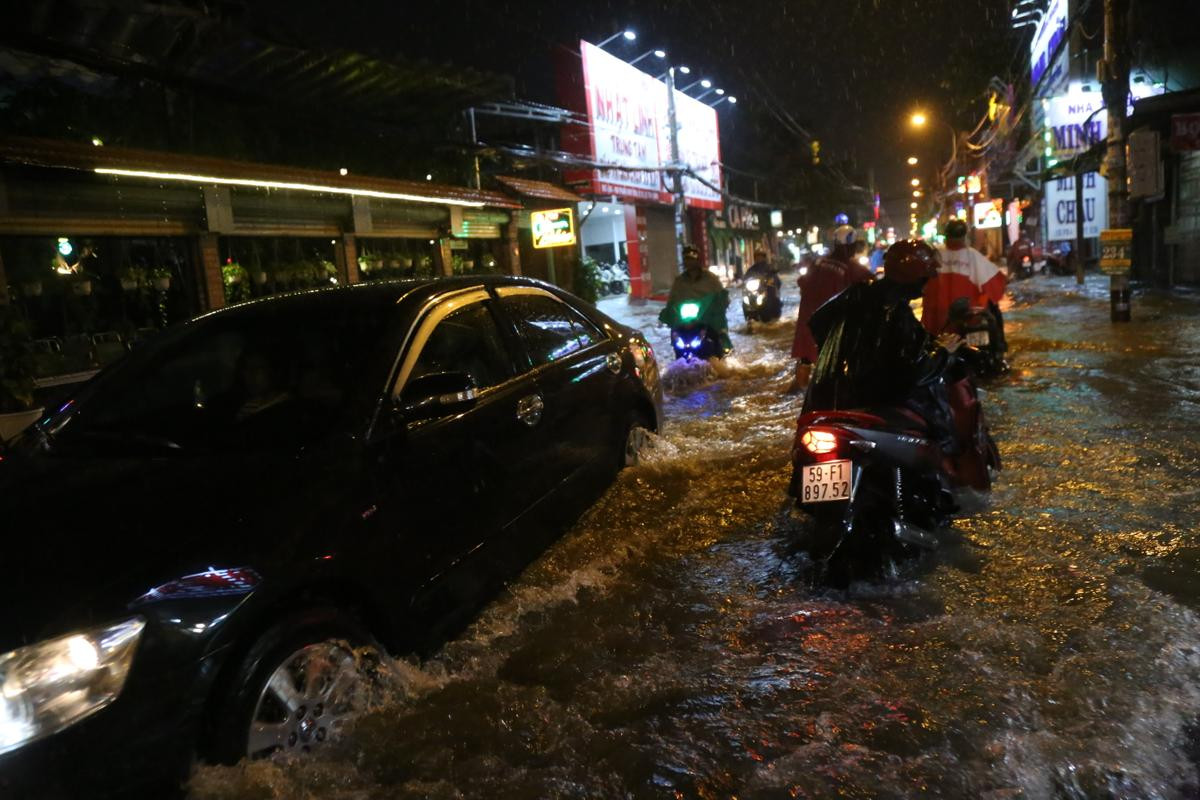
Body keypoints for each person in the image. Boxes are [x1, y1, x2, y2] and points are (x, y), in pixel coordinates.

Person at [803, 239, 963, 453]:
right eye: (925, 278)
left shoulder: (857, 292)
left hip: (823, 403)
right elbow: (914, 371)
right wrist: (944, 352)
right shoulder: (896, 312)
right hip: (872, 406)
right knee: (942, 429)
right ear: (916, 277)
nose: (927, 284)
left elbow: (817, 323)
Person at [785, 225, 873, 394]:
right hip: (830, 324)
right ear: (851, 246)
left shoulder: (818, 262)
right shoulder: (852, 268)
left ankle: (798, 391)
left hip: (807, 321)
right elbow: (871, 283)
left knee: (805, 360)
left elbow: (802, 282)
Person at [922, 219, 1008, 350]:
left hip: (937, 321)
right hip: (967, 319)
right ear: (964, 236)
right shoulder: (972, 256)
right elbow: (996, 283)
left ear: (946, 235)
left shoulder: (935, 255)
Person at [660, 244, 731, 348]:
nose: (689, 262)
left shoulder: (711, 279)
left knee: (719, 334)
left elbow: (722, 298)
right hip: (685, 320)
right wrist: (668, 314)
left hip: (707, 319)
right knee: (675, 333)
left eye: (692, 259)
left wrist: (718, 307)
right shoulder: (679, 281)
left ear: (698, 260)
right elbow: (672, 302)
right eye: (686, 259)